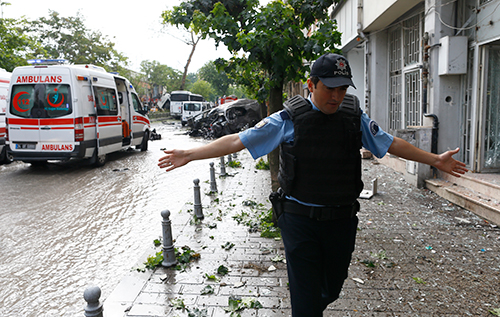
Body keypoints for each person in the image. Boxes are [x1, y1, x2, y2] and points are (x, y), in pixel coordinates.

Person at [158, 53, 468, 316]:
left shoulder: (353, 116)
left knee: (330, 289)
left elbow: (390, 143)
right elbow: (239, 140)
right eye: (330, 88)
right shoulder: (288, 119)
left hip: (342, 222)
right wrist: (190, 153)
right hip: (299, 221)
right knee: (306, 304)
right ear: (312, 85)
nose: (336, 96)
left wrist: (435, 160)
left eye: (342, 88)